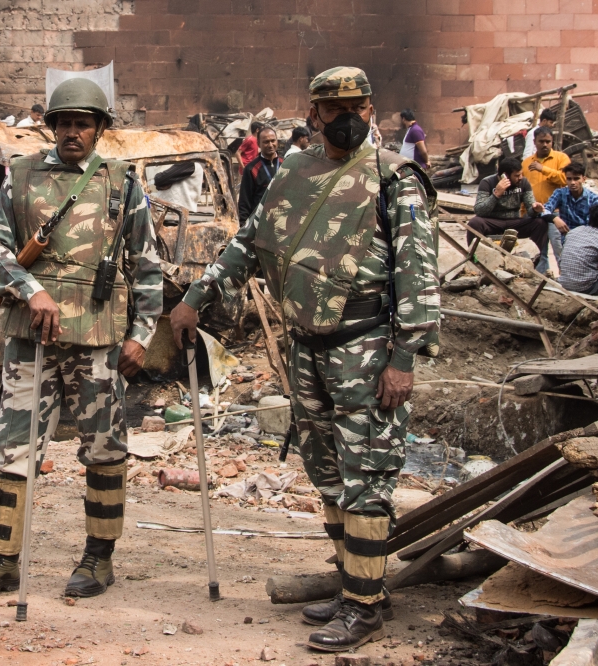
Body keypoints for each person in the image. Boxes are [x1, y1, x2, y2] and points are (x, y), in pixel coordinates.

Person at [171, 66, 438, 652]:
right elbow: (250, 240)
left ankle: (365, 610)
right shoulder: (291, 169)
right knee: (328, 474)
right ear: (313, 114)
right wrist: (197, 295)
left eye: (359, 107)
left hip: (366, 347)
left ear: (371, 110)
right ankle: (356, 588)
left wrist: (404, 356)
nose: (348, 117)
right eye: (334, 107)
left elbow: (419, 275)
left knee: (367, 478)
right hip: (306, 348)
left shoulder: (395, 179)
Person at [0, 77, 162, 602]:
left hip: (97, 343)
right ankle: (2, 560)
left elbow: (147, 267)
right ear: (52, 127)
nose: (73, 132)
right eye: (64, 122)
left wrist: (141, 334)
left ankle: (99, 559)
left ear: (99, 129)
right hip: (32, 339)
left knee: (105, 450)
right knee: (12, 449)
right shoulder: (21, 177)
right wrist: (30, 290)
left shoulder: (123, 185)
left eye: (83, 123)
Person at [467, 156, 547, 258]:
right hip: (493, 222)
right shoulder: (487, 182)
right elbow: (479, 210)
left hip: (514, 221)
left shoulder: (524, 183)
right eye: (517, 175)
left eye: (521, 174)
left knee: (540, 223)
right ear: (505, 176)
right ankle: (474, 258)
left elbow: (530, 210)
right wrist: (496, 195)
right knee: (474, 223)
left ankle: (533, 259)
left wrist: (535, 209)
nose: (520, 177)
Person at [540, 161, 598, 268]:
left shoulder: (594, 198)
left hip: (587, 238)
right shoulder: (560, 193)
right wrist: (554, 218)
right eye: (569, 179)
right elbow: (545, 209)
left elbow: (596, 225)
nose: (572, 182)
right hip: (567, 239)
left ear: (584, 179)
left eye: (576, 178)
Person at [238, 126, 281, 223]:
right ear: (258, 144)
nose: (270, 145)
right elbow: (244, 202)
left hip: (283, 221)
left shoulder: (286, 164)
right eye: (266, 142)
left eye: (273, 141)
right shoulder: (251, 169)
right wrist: (243, 227)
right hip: (260, 223)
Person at [522, 126, 569, 205]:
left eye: (548, 142)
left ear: (552, 142)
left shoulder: (562, 158)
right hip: (532, 211)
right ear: (534, 142)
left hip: (554, 210)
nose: (545, 145)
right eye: (541, 141)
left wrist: (543, 169)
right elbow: (522, 189)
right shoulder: (526, 163)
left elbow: (565, 179)